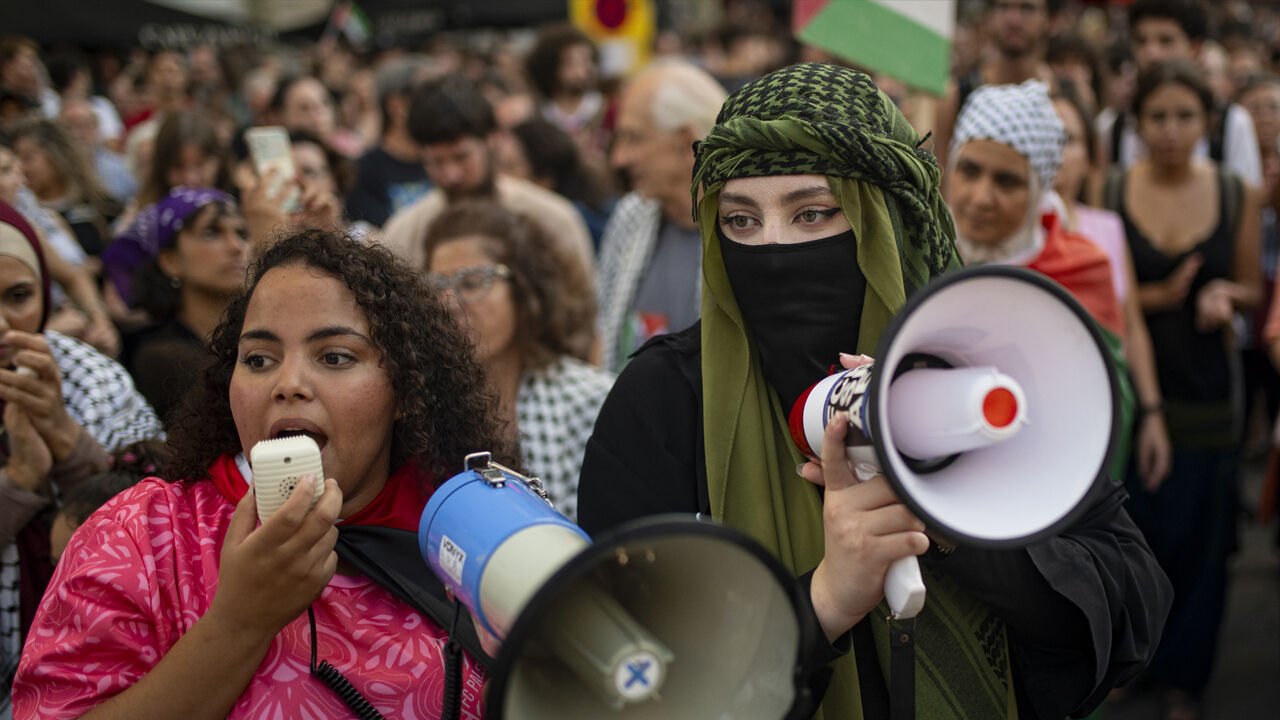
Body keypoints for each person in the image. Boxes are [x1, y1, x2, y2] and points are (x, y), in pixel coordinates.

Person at [578, 62, 1170, 719]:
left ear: (880, 223)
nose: (771, 247)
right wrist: (822, 602)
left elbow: (1128, 602)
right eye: (741, 221)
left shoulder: (970, 376)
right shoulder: (663, 400)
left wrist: (953, 524)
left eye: (812, 214)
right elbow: (622, 669)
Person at [15, 228, 511, 718]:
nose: (287, 384)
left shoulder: (471, 538)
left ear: (403, 391)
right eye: (258, 359)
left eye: (335, 356)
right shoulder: (140, 536)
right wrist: (239, 624)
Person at [1100, 59, 1261, 720]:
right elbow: (1097, 291)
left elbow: (1254, 285)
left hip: (1207, 394)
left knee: (1202, 535)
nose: (1171, 130)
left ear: (1208, 122)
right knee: (1133, 531)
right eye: (1157, 117)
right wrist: (1159, 296)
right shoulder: (1108, 188)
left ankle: (1184, 680)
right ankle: (1132, 660)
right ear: (1137, 124)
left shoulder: (1233, 193)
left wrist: (1229, 293)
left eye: (1185, 117)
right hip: (1130, 396)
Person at [0, 201, 163, 709]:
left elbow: (159, 521)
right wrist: (21, 481)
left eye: (19, 296)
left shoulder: (88, 375)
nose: (4, 325)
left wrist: (67, 442)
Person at [425, 200, 612, 521]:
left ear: (524, 290)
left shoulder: (590, 399)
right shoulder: (421, 406)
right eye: (438, 286)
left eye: (471, 282)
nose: (450, 303)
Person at [1050, 84, 1173, 490]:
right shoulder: (1001, 239)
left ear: (1089, 156)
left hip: (1105, 412)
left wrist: (1153, 413)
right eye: (1042, 135)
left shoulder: (1107, 229)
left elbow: (1131, 326)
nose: (1054, 152)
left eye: (1067, 140)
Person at [380, 73, 593, 278]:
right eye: (436, 162)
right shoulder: (404, 235)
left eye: (461, 157)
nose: (451, 175)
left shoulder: (552, 222)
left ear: (492, 140)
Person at [595, 59, 726, 371]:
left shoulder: (749, 228)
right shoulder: (632, 215)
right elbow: (602, 330)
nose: (619, 158)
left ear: (686, 142)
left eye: (633, 138)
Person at [102, 187, 249, 424]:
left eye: (242, 233)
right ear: (170, 261)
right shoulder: (160, 357)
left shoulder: (257, 334)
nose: (237, 246)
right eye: (212, 233)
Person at [1098, 0, 1262, 190]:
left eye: (1166, 41)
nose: (1151, 53)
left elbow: (1244, 203)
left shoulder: (1233, 123)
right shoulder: (1111, 126)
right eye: (1141, 41)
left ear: (1195, 48)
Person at [932, 0, 1063, 177]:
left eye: (1027, 8)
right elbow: (943, 183)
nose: (1013, 19)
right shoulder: (957, 96)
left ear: (1051, 20)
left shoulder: (1064, 98)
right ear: (990, 17)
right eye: (1003, 7)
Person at [344, 56, 435, 228]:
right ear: (397, 105)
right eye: (427, 95)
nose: (438, 105)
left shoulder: (442, 159)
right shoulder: (365, 169)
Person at [10, 118, 120, 257]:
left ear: (56, 155)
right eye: (14, 161)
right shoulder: (19, 213)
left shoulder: (100, 204)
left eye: (27, 158)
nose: (21, 167)